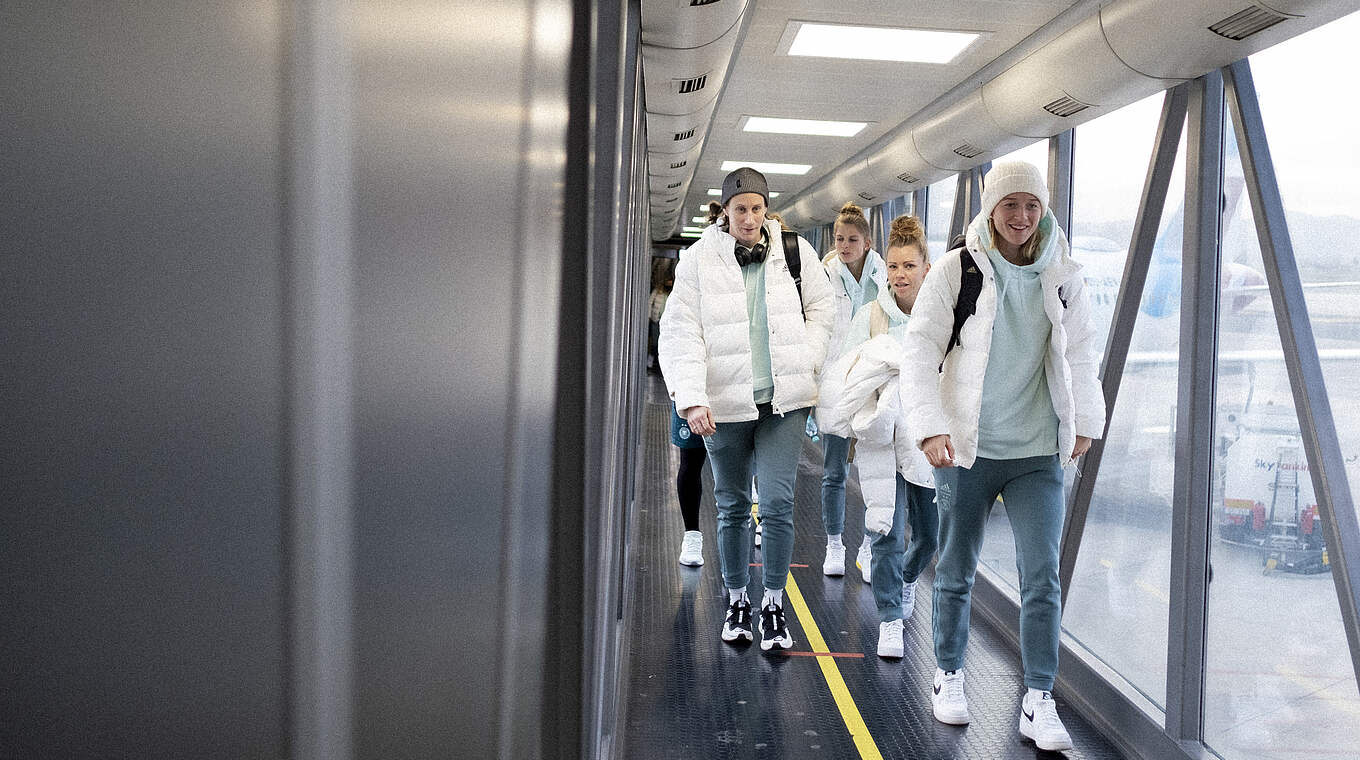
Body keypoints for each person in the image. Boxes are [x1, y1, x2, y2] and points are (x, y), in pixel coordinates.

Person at [901, 161, 1105, 751]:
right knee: (957, 569)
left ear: (1045, 211)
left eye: (1032, 206)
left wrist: (1085, 422)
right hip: (968, 449)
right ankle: (949, 676)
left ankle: (1038, 698)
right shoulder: (956, 270)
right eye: (1010, 205)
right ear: (990, 208)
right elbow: (919, 353)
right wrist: (930, 428)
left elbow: (1083, 353)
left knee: (1042, 577)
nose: (1021, 218)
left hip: (1038, 451)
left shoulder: (1064, 275)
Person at [659, 166, 834, 651]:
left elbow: (823, 310)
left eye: (758, 209)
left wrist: (809, 358)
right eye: (741, 210)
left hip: (784, 403)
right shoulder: (697, 260)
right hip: (724, 405)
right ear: (726, 211)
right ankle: (738, 600)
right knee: (733, 506)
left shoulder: (795, 251)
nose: (750, 218)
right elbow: (679, 331)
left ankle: (774, 606)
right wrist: (692, 398)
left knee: (777, 503)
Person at [819, 215, 938, 659]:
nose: (899, 276)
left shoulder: (941, 317)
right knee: (887, 530)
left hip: (928, 440)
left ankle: (906, 580)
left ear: (926, 268)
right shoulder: (872, 316)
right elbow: (846, 374)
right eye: (892, 267)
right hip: (883, 441)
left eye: (908, 266)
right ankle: (890, 618)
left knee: (930, 534)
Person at [816, 202, 886, 579]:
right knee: (834, 472)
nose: (844, 245)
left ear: (867, 242)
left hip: (873, 382)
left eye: (852, 239)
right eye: (839, 239)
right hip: (836, 383)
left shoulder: (884, 276)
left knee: (874, 472)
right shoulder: (825, 276)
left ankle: (868, 547)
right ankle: (833, 544)